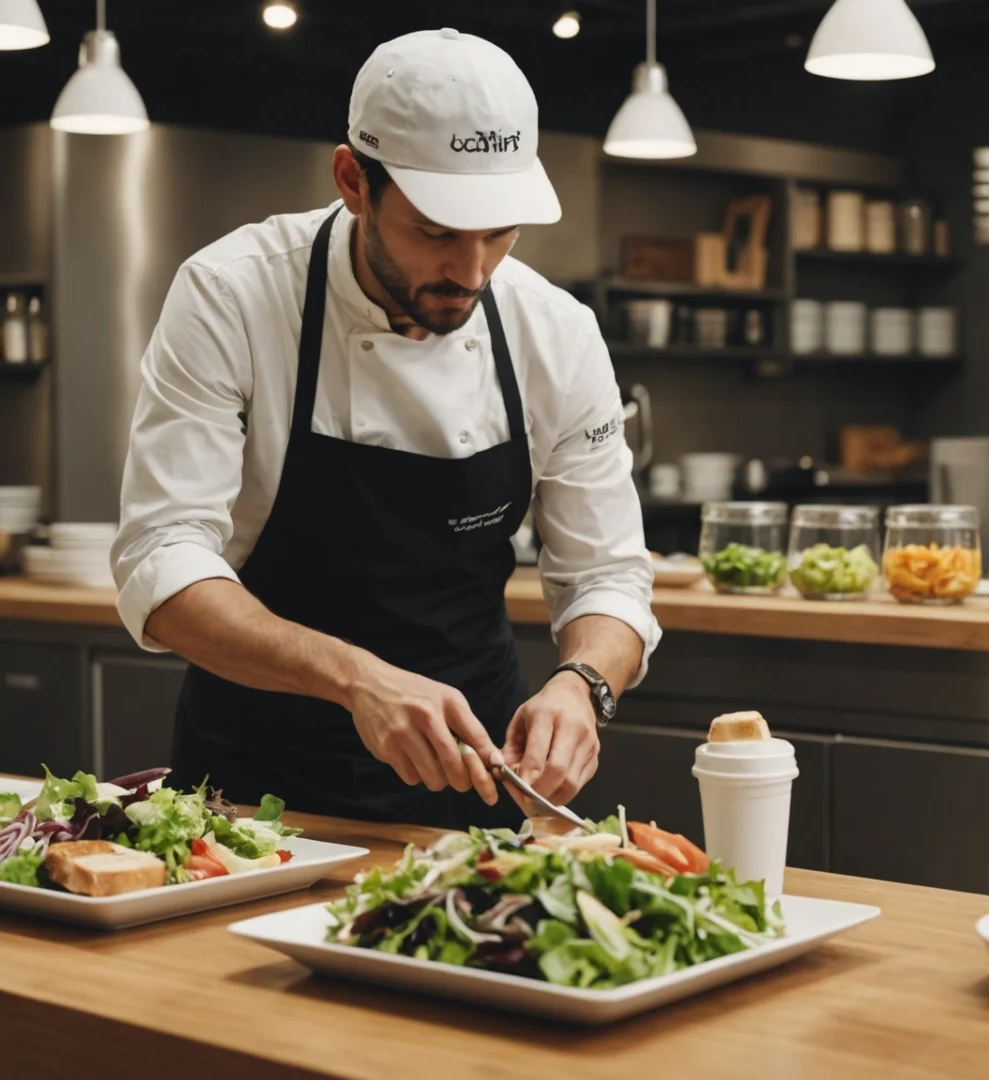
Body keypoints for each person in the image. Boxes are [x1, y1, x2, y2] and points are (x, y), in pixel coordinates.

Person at [111, 28, 659, 828]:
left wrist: (583, 684)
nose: (471, 273)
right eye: (437, 231)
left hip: (475, 781)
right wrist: (355, 678)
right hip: (252, 788)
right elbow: (159, 564)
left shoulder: (556, 333)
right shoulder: (234, 295)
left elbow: (608, 576)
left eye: (499, 232)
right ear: (352, 181)